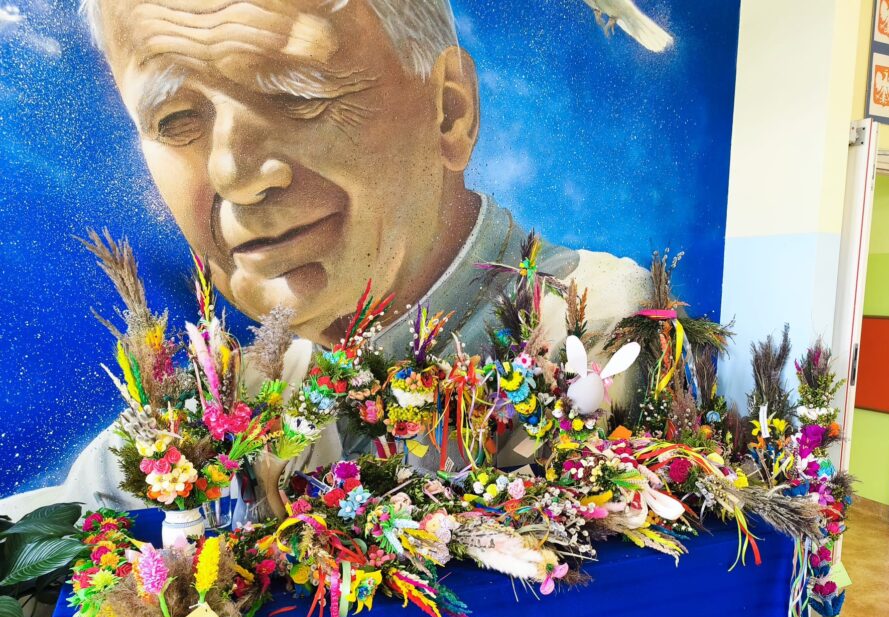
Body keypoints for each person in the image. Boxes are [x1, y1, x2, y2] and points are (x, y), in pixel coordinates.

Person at [0, 0, 652, 517]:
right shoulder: (223, 403)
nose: (234, 173)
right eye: (174, 122)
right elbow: (49, 537)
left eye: (299, 94)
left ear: (449, 110)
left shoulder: (601, 330)